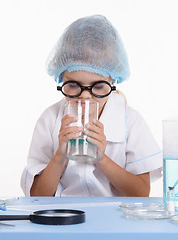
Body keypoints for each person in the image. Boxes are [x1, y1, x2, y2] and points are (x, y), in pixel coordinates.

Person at [21, 15, 162, 197]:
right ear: (60, 79)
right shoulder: (49, 119)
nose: (85, 97)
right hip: (64, 219)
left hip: (114, 221)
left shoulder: (130, 120)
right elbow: (37, 196)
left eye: (98, 86)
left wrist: (101, 158)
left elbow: (141, 192)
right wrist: (60, 156)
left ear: (113, 81)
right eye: (73, 85)